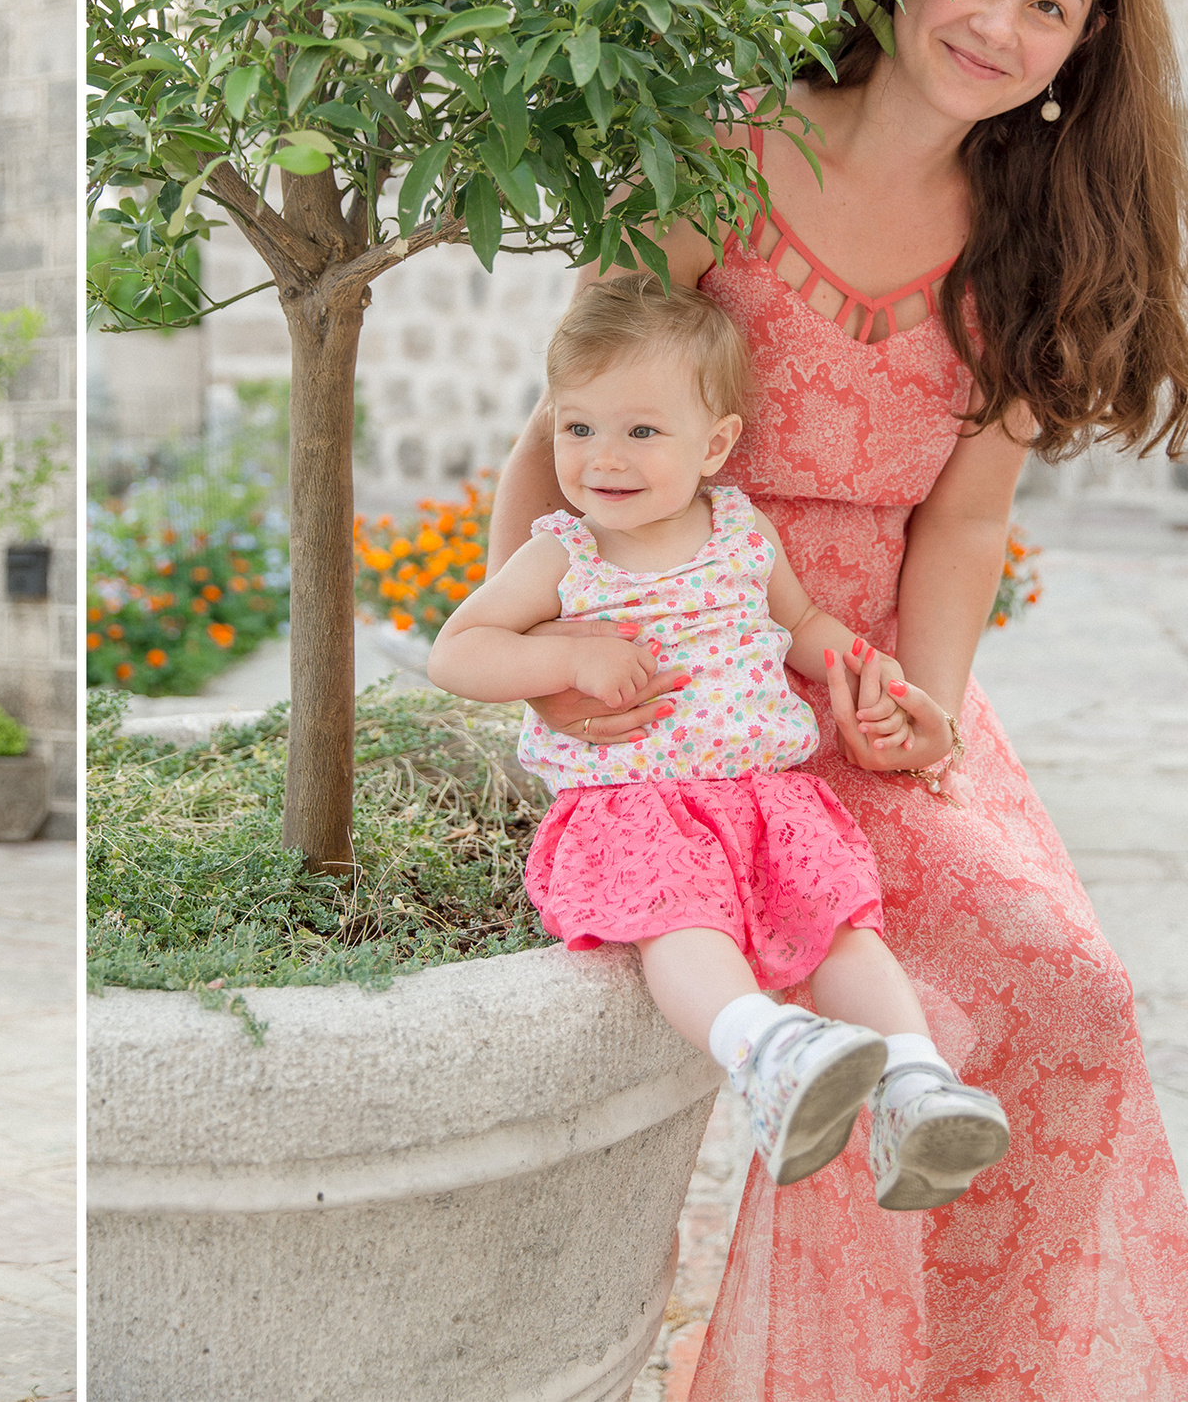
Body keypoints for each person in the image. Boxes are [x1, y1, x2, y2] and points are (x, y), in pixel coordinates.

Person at [486, 0, 1188, 1398]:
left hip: (871, 680)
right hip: (687, 681)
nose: (999, 22)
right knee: (888, 1033)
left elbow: (968, 522)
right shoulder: (725, 157)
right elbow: (569, 432)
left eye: (1051, 3)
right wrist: (544, 650)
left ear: (1089, 41)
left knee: (1077, 993)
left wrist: (933, 717)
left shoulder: (1037, 240)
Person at [429, 274, 1013, 1211]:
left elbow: (806, 623)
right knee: (680, 923)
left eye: (641, 431)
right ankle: (766, 1047)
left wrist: (870, 675)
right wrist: (567, 667)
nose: (603, 458)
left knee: (841, 925)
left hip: (766, 796)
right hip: (633, 806)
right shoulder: (563, 555)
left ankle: (917, 1082)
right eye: (577, 428)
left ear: (718, 445)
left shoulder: (742, 533)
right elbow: (457, 652)